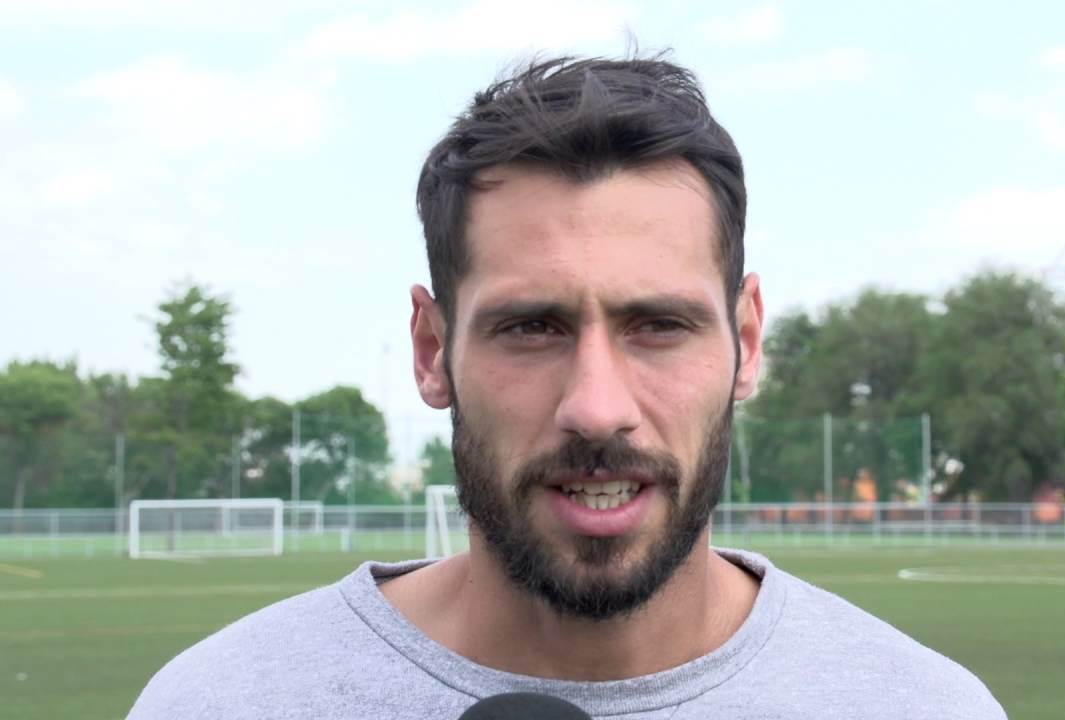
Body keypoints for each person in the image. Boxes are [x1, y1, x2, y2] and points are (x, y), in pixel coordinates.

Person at [128, 53, 1005, 719]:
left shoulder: (925, 709)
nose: (595, 408)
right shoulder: (216, 704)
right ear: (431, 351)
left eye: (658, 325)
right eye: (530, 328)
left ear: (744, 342)